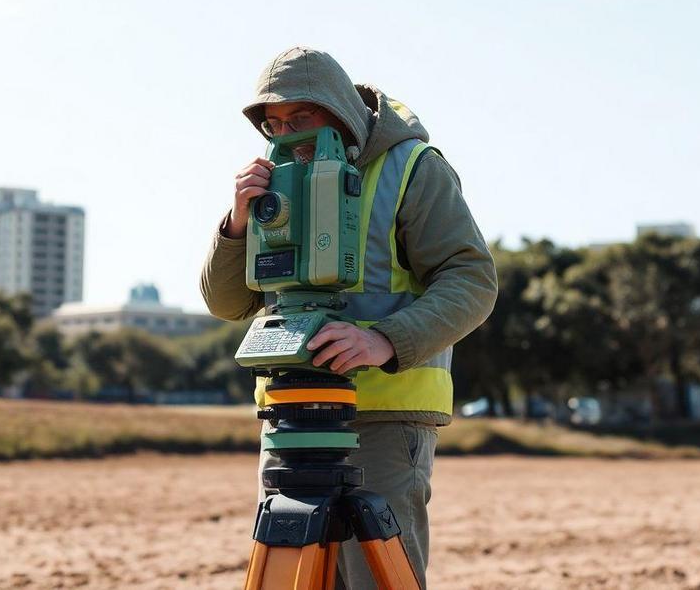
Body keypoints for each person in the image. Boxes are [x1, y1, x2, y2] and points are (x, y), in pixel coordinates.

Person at [200, 46, 497, 588]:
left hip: (384, 419)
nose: (286, 134)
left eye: (301, 119)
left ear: (336, 108)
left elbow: (472, 279)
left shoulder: (411, 168)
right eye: (274, 123)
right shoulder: (273, 182)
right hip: (292, 417)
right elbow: (225, 303)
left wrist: (384, 340)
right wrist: (238, 225)